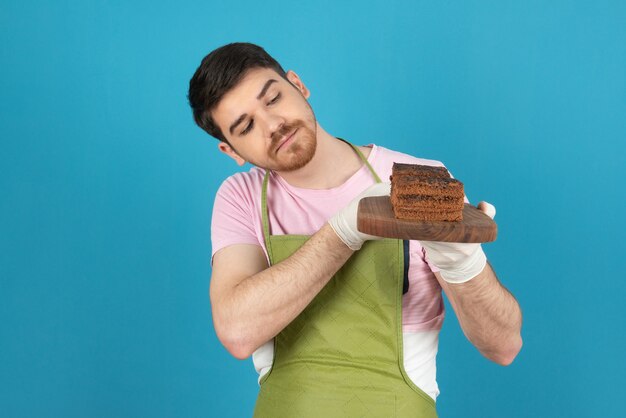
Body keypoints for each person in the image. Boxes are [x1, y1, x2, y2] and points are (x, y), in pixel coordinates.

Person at [188, 42, 523, 417]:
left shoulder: (417, 181)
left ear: (297, 84)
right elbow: (236, 331)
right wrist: (345, 231)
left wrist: (464, 264)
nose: (273, 124)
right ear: (231, 151)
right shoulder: (242, 198)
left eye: (273, 98)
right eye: (246, 126)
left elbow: (503, 346)